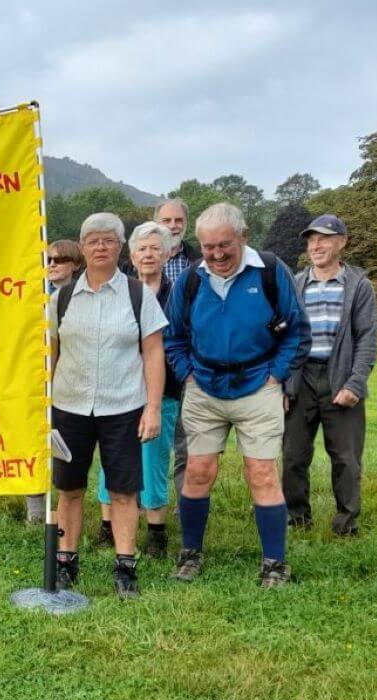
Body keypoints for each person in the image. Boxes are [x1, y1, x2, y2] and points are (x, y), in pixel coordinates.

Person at [164, 203, 310, 588]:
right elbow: (173, 336)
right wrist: (188, 375)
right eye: (208, 246)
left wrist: (276, 377)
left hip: (258, 386)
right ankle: (190, 554)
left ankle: (275, 563)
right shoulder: (190, 280)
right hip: (205, 387)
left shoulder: (270, 272)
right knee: (197, 471)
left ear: (244, 237)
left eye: (224, 245)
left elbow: (297, 332)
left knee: (261, 473)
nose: (215, 254)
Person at [50, 213, 168, 599]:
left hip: (123, 407)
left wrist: (152, 408)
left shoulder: (138, 295)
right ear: (83, 248)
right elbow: (50, 355)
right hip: (69, 407)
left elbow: (153, 354)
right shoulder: (60, 299)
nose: (101, 247)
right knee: (68, 489)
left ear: (121, 248)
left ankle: (125, 567)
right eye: (93, 241)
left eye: (108, 241)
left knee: (123, 491)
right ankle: (66, 562)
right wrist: (43, 406)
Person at [283, 215, 377, 537]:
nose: (316, 246)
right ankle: (297, 520)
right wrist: (285, 382)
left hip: (340, 377)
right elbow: (284, 336)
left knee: (346, 459)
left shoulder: (358, 286)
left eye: (324, 239)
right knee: (293, 456)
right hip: (302, 378)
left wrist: (355, 383)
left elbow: (367, 338)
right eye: (311, 240)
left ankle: (346, 524)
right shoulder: (295, 284)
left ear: (342, 242)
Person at [93, 222, 182, 557]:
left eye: (155, 248)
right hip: (117, 389)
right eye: (142, 249)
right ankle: (106, 526)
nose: (148, 254)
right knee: (111, 457)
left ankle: (156, 531)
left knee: (154, 457)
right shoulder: (119, 291)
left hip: (163, 390)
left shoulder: (178, 294)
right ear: (131, 254)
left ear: (169, 252)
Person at [27, 238, 83, 523]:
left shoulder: (83, 296)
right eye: (48, 260)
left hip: (72, 382)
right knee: (35, 441)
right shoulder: (35, 296)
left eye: (59, 260)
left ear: (74, 264)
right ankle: (35, 510)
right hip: (37, 379)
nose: (51, 265)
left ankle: (64, 506)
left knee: (65, 444)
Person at [155, 198, 201, 501]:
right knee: (149, 437)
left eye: (178, 221)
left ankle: (184, 503)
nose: (173, 226)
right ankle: (144, 498)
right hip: (148, 362)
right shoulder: (134, 262)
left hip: (186, 361)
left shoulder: (199, 261)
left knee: (187, 439)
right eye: (167, 220)